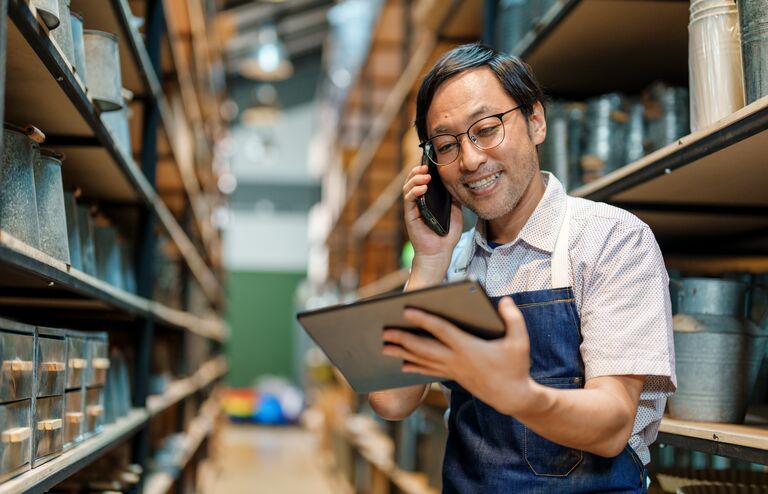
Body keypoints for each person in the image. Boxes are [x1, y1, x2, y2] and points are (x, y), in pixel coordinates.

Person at [368, 43, 676, 493]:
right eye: (447, 145)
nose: (470, 160)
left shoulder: (610, 240)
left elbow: (612, 427)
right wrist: (430, 261)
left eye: (487, 129)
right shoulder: (455, 266)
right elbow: (391, 402)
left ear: (535, 120)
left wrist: (520, 397)